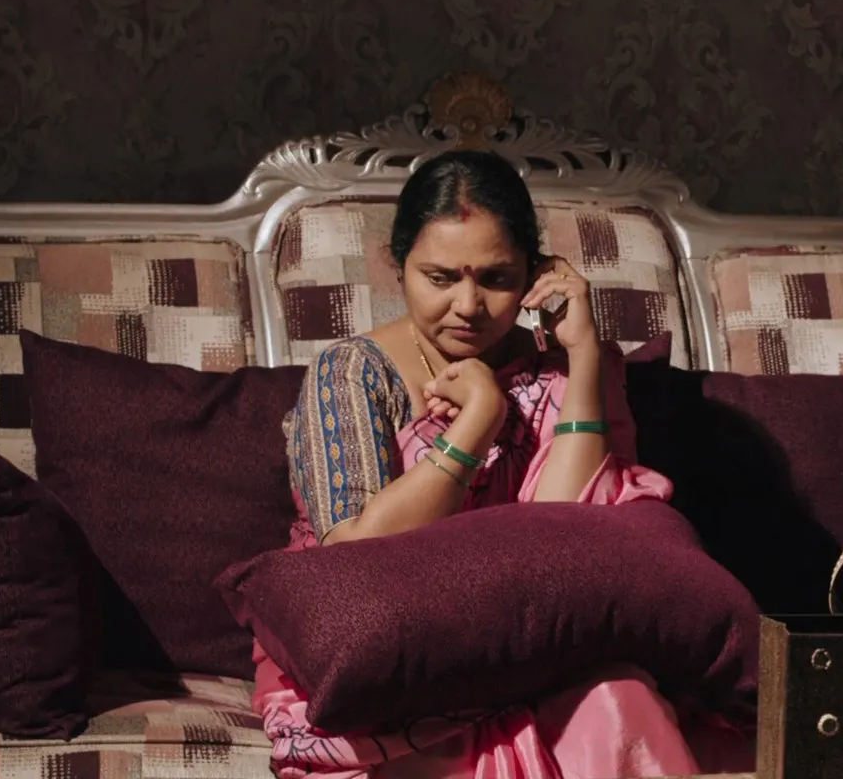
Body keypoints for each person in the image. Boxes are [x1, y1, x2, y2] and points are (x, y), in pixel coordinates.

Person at [255, 150, 751, 779]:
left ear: (533, 275)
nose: (468, 305)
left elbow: (569, 528)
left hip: (545, 646)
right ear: (397, 265)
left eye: (496, 279)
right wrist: (479, 420)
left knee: (618, 697)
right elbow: (354, 554)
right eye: (440, 278)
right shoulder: (352, 372)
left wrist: (582, 354)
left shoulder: (556, 367)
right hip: (393, 665)